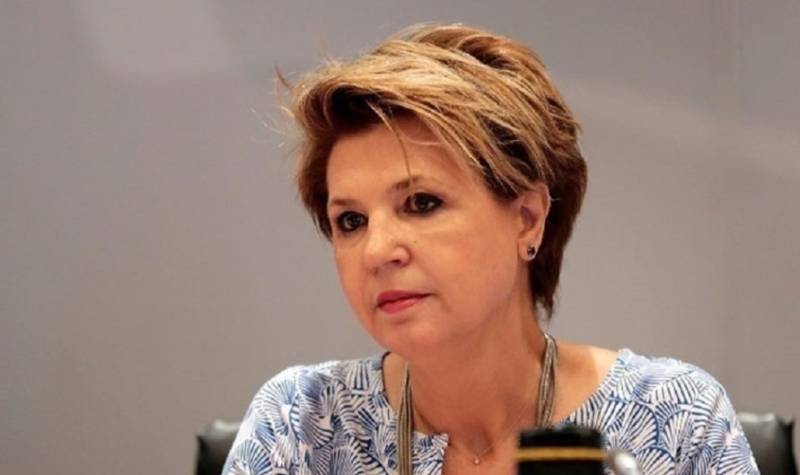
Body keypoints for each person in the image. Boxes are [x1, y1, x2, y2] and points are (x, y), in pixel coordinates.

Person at [222, 23, 758, 474]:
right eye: (351, 221)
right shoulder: (301, 425)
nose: (377, 251)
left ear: (527, 219)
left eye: (421, 203)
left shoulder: (676, 421)